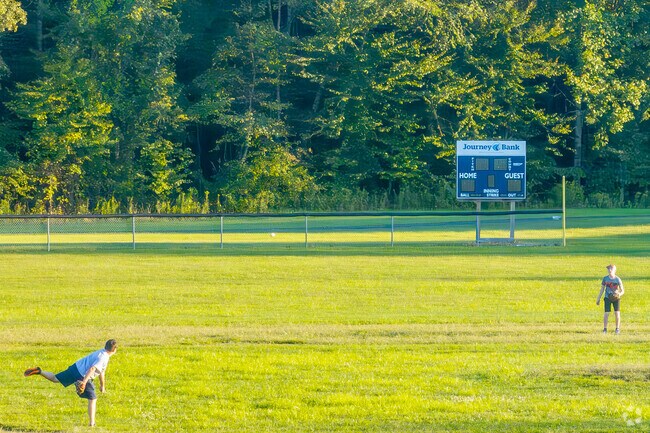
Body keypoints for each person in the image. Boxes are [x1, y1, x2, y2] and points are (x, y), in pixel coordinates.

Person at [24, 339, 117, 427]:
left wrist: (102, 385)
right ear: (115, 350)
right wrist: (84, 382)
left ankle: (39, 371)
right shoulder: (104, 358)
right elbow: (92, 369)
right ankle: (92, 424)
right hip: (83, 375)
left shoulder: (100, 352)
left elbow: (101, 371)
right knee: (93, 398)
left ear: (105, 346)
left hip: (75, 368)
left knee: (55, 379)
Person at [596, 265, 624, 334]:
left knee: (617, 313)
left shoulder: (617, 279)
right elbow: (602, 289)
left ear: (614, 270)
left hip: (616, 298)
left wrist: (618, 294)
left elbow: (622, 290)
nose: (609, 270)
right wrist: (598, 298)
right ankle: (605, 329)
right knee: (606, 313)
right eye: (608, 269)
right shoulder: (605, 279)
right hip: (607, 297)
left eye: (611, 268)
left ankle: (617, 329)